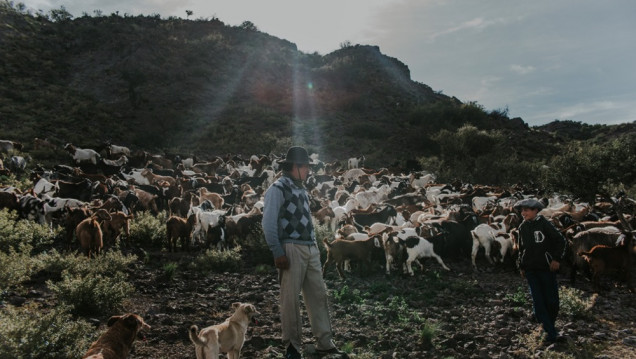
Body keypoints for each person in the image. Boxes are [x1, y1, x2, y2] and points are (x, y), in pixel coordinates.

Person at [262, 146, 348, 359]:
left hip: (310, 247)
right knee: (290, 298)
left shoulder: (301, 189)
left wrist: (314, 245)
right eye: (306, 166)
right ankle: (292, 346)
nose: (309, 170)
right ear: (295, 167)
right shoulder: (278, 188)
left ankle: (325, 342)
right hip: (291, 247)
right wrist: (277, 250)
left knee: (318, 295)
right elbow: (268, 222)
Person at [514, 198, 567, 345]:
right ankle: (549, 333)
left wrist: (556, 259)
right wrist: (521, 266)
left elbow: (560, 241)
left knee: (552, 301)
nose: (523, 213)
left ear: (535, 210)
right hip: (531, 269)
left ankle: (549, 326)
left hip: (546, 268)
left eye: (527, 210)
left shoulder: (545, 224)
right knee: (538, 301)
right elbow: (521, 248)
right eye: (522, 210)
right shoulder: (522, 227)